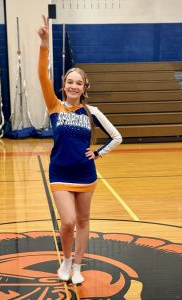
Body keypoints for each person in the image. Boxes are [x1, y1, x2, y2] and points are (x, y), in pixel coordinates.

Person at [38, 15, 122, 285]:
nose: (73, 86)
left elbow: (117, 137)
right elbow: (41, 75)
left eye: (78, 83)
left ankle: (77, 266)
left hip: (86, 173)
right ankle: (64, 259)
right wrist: (44, 44)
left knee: (84, 222)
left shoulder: (92, 111)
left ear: (85, 87)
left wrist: (98, 153)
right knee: (69, 222)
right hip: (60, 171)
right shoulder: (55, 106)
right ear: (63, 85)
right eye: (69, 82)